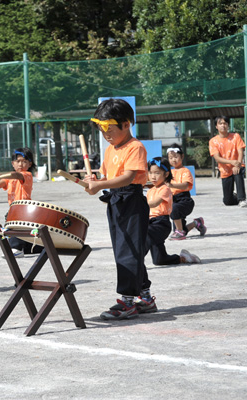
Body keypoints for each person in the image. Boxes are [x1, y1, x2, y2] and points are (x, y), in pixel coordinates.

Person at [84, 98, 154, 320]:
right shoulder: (110, 150)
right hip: (115, 201)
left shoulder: (135, 147)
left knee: (128, 251)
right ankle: (146, 298)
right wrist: (94, 181)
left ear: (126, 124)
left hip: (132, 201)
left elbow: (128, 177)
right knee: (125, 250)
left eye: (109, 129)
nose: (105, 134)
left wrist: (101, 184)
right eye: (102, 129)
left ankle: (127, 302)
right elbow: (108, 177)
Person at [0, 147, 42, 257]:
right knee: (13, 231)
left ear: (30, 164)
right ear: (13, 163)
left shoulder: (27, 175)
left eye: (24, 161)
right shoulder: (9, 178)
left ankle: (16, 249)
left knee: (16, 228)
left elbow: (16, 175)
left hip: (24, 209)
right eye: (18, 161)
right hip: (13, 209)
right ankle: (28, 248)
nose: (21, 164)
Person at [145, 157, 200, 268]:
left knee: (144, 238)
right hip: (150, 223)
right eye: (150, 173)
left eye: (157, 173)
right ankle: (182, 258)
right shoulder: (150, 190)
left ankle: (135, 263)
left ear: (166, 175)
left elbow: (155, 203)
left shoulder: (165, 189)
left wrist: (138, 205)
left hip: (160, 224)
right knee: (159, 260)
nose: (153, 176)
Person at [166, 144, 206, 240]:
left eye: (176, 157)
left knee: (173, 209)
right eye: (170, 158)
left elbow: (186, 185)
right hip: (174, 200)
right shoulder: (168, 172)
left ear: (182, 156)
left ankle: (179, 232)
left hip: (184, 201)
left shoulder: (185, 171)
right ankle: (196, 223)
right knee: (182, 228)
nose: (173, 160)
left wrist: (172, 185)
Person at [209, 116, 246, 207]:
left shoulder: (236, 137)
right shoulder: (213, 141)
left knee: (238, 171)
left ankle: (242, 199)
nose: (223, 125)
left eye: (225, 123)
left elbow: (241, 151)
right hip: (225, 171)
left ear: (228, 125)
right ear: (216, 126)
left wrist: (237, 164)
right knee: (227, 201)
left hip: (236, 166)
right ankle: (235, 196)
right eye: (220, 123)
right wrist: (231, 162)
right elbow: (217, 158)